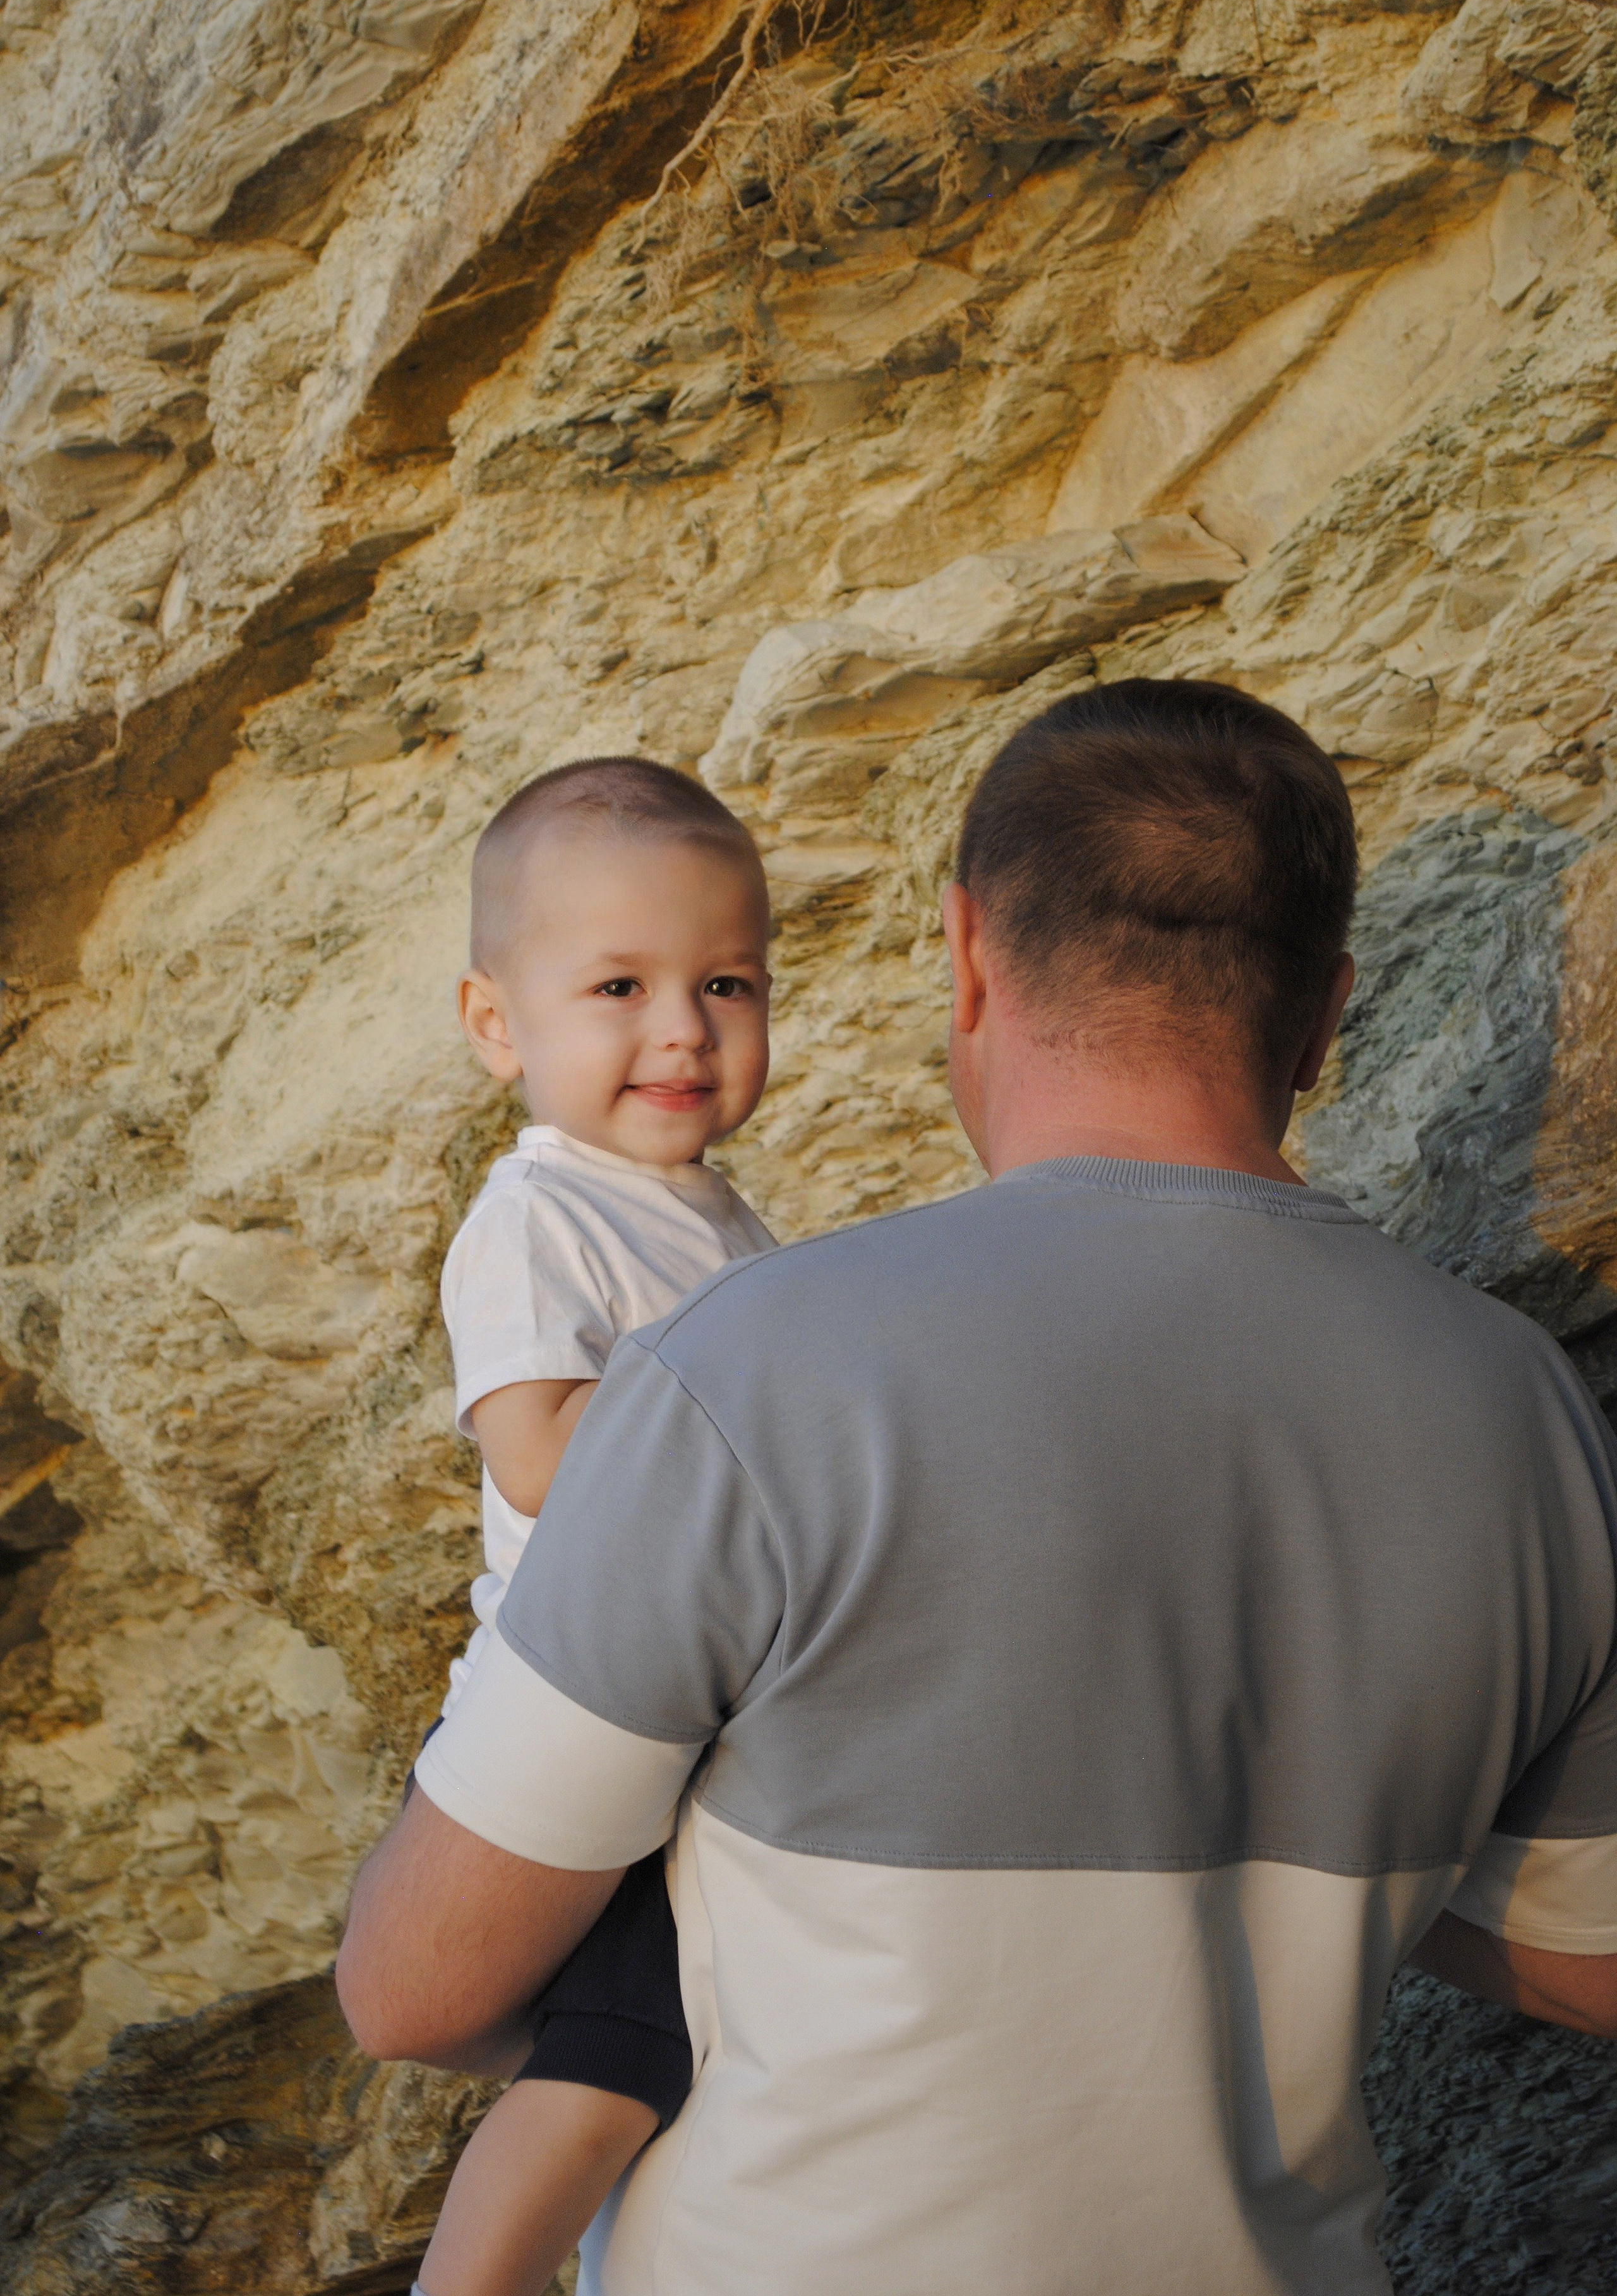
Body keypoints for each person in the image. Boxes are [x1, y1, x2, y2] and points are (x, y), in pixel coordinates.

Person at [340, 680, 1617, 2296]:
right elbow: (1591, 1961)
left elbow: (415, 1993)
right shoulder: (1524, 1411)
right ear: (1323, 1013)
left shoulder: (756, 1369)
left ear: (961, 956)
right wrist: (1277, 1831)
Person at [414, 755, 775, 2296]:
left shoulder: (726, 1219)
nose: (681, 1027)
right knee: (612, 2049)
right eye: (618, 984)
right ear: (498, 1024)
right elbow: (544, 1457)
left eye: (726, 982)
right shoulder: (535, 1214)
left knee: (679, 2038)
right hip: (577, 1698)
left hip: (688, 1688)